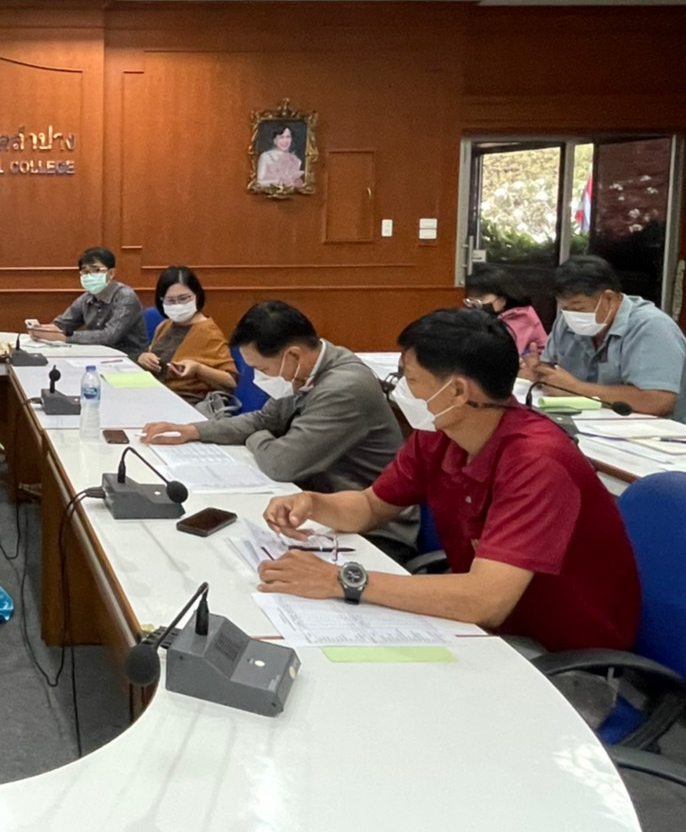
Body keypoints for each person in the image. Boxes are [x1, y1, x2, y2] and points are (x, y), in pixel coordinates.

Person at [258, 308, 641, 653]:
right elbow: (372, 506)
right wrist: (314, 504)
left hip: (560, 653)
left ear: (457, 391)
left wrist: (342, 580)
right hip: (485, 628)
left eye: (410, 379)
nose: (400, 390)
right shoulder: (440, 433)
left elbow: (485, 601)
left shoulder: (538, 462)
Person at [142, 300, 416, 560]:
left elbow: (281, 463)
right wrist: (194, 430)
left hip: (372, 531)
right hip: (318, 504)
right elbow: (264, 419)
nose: (259, 377)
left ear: (292, 355)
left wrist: (258, 436)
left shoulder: (343, 388)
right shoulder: (305, 370)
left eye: (262, 368)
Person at [522, 255, 685, 418]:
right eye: (565, 308)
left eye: (578, 309)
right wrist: (537, 374)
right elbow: (552, 373)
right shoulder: (565, 322)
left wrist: (577, 389)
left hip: (651, 430)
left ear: (609, 298)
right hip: (585, 422)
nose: (571, 315)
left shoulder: (651, 326)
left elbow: (659, 401)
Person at [136, 266, 236, 400]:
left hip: (185, 399)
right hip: (156, 392)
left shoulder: (208, 332)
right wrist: (144, 357)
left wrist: (199, 369)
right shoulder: (166, 325)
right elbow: (154, 355)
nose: (177, 305)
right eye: (170, 301)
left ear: (197, 296)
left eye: (183, 298)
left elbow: (231, 381)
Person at [29, 247, 146, 359]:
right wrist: (43, 330)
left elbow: (109, 336)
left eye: (96, 270)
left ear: (111, 273)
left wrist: (64, 338)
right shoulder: (87, 298)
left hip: (130, 357)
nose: (90, 276)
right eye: (85, 272)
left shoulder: (126, 297)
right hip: (98, 355)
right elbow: (63, 324)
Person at [463, 265, 547, 356]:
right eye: (471, 299)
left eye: (481, 299)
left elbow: (503, 352)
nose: (474, 304)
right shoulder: (482, 318)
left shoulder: (522, 317)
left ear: (502, 300)